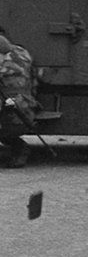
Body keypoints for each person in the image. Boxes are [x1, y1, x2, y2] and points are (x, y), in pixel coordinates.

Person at [0, 28, 38, 168]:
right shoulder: (21, 53)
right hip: (24, 108)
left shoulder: (9, 68)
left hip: (18, 114)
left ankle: (19, 149)